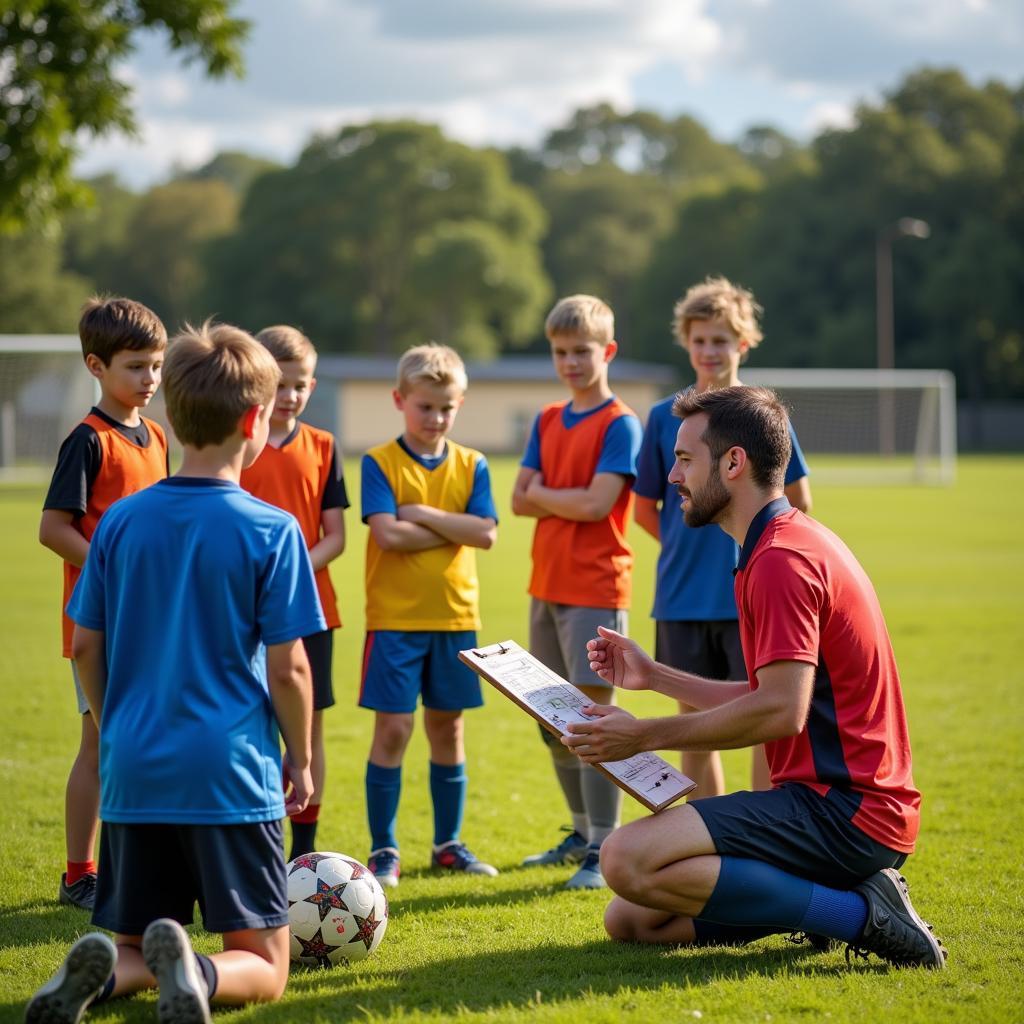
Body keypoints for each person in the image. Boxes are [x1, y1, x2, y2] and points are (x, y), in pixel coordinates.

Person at [563, 385, 946, 969]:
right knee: (633, 917)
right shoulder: (777, 541)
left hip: (846, 813)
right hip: (829, 807)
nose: (672, 477)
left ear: (734, 462)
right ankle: (827, 904)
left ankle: (862, 918)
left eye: (686, 459)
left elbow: (780, 713)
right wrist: (656, 675)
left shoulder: (780, 561)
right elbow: (774, 694)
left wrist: (642, 736)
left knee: (625, 861)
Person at [26, 322, 324, 1023]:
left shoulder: (122, 523)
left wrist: (111, 724)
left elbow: (87, 647)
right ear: (256, 420)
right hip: (228, 771)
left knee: (130, 942)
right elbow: (290, 670)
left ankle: (97, 978)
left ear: (174, 416)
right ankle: (199, 975)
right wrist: (302, 760)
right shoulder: (271, 528)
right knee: (265, 961)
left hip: (133, 765)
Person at [633, 276, 811, 797]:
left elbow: (798, 500)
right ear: (686, 342)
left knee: (762, 724)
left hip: (748, 598)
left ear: (744, 344)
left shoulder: (761, 418)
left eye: (721, 340)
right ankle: (713, 832)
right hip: (681, 597)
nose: (710, 351)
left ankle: (767, 825)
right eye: (700, 339)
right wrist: (688, 548)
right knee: (695, 727)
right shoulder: (664, 418)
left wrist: (751, 552)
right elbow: (647, 508)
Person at [38, 296, 169, 911]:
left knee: (147, 741)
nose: (150, 379)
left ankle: (139, 866)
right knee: (101, 743)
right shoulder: (87, 442)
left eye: (157, 366)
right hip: (100, 625)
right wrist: (115, 566)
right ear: (96, 365)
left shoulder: (160, 436)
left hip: (154, 623)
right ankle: (79, 875)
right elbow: (53, 528)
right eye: (136, 366)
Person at [512, 295, 643, 889]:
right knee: (550, 716)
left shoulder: (621, 424)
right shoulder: (546, 419)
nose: (570, 362)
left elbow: (597, 505)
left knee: (591, 718)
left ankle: (603, 846)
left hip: (595, 585)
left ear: (607, 351)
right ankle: (579, 831)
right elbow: (517, 499)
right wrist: (555, 496)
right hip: (547, 583)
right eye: (561, 352)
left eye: (581, 351)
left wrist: (546, 494)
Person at [360, 343, 499, 888]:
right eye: (424, 406)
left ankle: (448, 846)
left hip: (455, 617)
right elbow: (387, 535)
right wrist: (452, 523)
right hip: (394, 620)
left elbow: (485, 533)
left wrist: (421, 513)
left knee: (449, 729)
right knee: (393, 731)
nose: (435, 417)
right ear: (400, 400)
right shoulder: (379, 462)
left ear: (458, 404)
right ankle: (383, 850)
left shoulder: (473, 464)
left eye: (445, 407)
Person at [240, 325, 348, 860]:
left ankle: (303, 850)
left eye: (300, 385)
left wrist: (289, 571)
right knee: (250, 725)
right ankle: (254, 841)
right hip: (242, 612)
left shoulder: (325, 447)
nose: (290, 396)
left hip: (311, 610)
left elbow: (337, 538)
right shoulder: (239, 445)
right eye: (279, 384)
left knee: (308, 731)